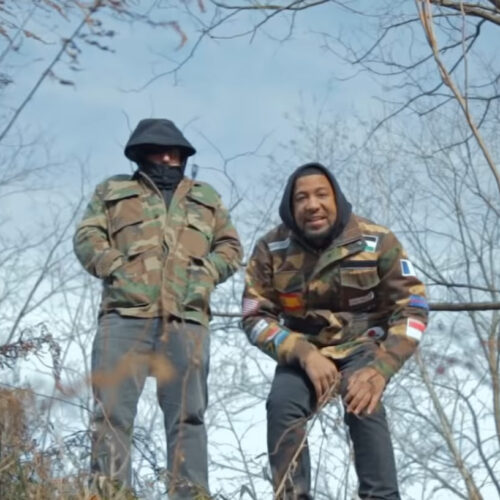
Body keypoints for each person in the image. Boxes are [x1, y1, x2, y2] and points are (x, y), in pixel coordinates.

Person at [74, 118, 242, 499]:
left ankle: (190, 496)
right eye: (158, 151)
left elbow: (230, 246)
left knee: (188, 418)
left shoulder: (206, 197)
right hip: (124, 316)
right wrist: (117, 268)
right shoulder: (113, 191)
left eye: (174, 152)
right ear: (141, 153)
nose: (167, 158)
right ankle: (110, 494)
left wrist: (207, 273)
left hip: (186, 318)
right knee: (111, 415)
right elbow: (87, 236)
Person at [241, 163, 428, 499]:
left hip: (363, 345)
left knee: (364, 402)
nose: (312, 205)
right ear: (290, 207)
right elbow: (254, 316)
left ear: (337, 199)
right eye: (301, 198)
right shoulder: (271, 248)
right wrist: (303, 354)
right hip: (302, 348)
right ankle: (291, 495)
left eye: (321, 195)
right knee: (282, 405)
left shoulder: (377, 240)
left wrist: (381, 369)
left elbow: (413, 308)